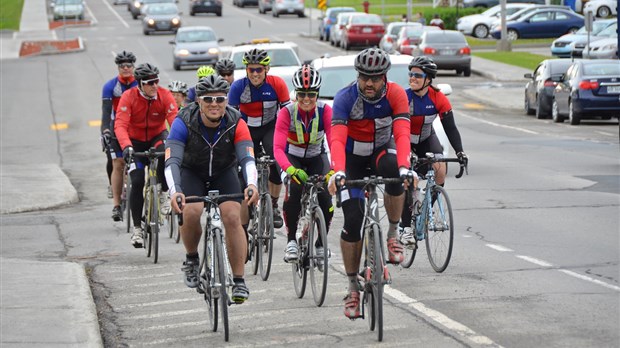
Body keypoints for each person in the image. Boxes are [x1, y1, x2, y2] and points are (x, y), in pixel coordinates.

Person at [327, 48, 413, 319]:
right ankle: (352, 286)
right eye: (364, 77)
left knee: (394, 169)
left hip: (379, 151)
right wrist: (338, 171)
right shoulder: (345, 98)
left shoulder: (396, 94)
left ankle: (392, 233)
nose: (369, 83)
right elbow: (338, 140)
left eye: (375, 78)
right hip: (351, 159)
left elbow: (401, 133)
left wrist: (405, 167)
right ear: (358, 76)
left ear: (385, 77)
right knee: (353, 219)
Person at [165, 75, 259, 303]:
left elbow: (247, 159)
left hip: (223, 172)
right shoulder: (183, 120)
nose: (214, 104)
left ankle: (238, 280)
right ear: (198, 101)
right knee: (191, 211)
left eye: (220, 99)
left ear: (226, 101)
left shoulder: (237, 121)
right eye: (208, 99)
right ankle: (191, 258)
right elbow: (172, 161)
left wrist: (252, 184)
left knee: (233, 217)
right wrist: (174, 190)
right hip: (192, 172)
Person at [400, 56, 467, 244]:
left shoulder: (438, 98)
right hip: (405, 139)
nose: (412, 78)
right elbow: (396, 129)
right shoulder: (404, 97)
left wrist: (460, 152)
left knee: (440, 170)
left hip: (426, 138)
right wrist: (407, 152)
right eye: (410, 74)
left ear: (428, 79)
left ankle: (425, 206)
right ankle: (406, 228)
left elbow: (450, 128)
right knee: (408, 179)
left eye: (417, 75)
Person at [273, 65, 334, 262]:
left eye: (310, 94)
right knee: (295, 189)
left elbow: (335, 142)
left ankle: (320, 244)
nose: (306, 99)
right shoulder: (286, 113)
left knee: (326, 196)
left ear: (317, 94)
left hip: (317, 156)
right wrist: (290, 169)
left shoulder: (326, 111)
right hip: (293, 157)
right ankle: (291, 241)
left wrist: (333, 170)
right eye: (301, 94)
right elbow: (278, 149)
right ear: (295, 94)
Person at [114, 63, 178, 248]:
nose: (154, 86)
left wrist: (178, 142)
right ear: (140, 84)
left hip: (157, 136)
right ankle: (137, 229)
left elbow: (174, 121)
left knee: (166, 153)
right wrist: (126, 146)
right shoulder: (129, 97)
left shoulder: (164, 95)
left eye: (156, 81)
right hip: (135, 141)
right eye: (149, 83)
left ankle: (164, 192)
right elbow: (120, 125)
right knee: (137, 181)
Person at [228, 48, 291, 229]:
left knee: (276, 160)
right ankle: (244, 225)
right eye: (251, 70)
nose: (255, 74)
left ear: (267, 69)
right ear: (246, 70)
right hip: (246, 130)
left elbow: (287, 113)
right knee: (242, 169)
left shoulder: (277, 84)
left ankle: (274, 204)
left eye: (259, 70)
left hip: (270, 127)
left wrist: (288, 136)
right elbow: (231, 118)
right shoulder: (238, 87)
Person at [101, 50, 139, 222]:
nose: (125, 68)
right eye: (121, 66)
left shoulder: (139, 83)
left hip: (137, 127)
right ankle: (116, 205)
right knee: (117, 163)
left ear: (133, 67)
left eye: (128, 65)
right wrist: (105, 131)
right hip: (117, 125)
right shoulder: (111, 86)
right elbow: (106, 112)